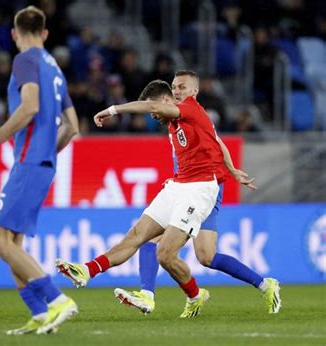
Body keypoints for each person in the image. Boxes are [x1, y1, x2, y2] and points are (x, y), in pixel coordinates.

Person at [56, 74, 280, 318]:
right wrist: (232, 168)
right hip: (181, 185)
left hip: (202, 190)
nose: (153, 115)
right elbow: (218, 141)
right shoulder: (178, 121)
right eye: (174, 87)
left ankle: (233, 289)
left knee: (166, 252)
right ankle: (89, 271)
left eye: (181, 87)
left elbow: (154, 107)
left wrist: (112, 109)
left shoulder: (188, 109)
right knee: (151, 240)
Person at [0, 6, 79, 335]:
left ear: (15, 34)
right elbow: (72, 127)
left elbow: (30, 106)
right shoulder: (56, 69)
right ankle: (40, 315)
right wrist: (46, 153)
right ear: (45, 33)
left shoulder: (25, 59)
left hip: (29, 161)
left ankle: (57, 301)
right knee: (12, 242)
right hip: (43, 163)